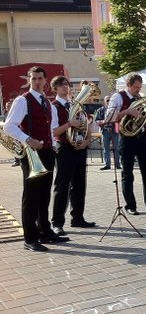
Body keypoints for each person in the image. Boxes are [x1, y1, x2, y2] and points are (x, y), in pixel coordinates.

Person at [3, 66, 60, 251]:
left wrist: (54, 145)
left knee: (44, 195)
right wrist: (28, 139)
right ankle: (30, 238)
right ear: (29, 80)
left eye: (40, 78)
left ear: (45, 80)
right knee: (31, 195)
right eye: (33, 78)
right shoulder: (22, 100)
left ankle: (45, 231)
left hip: (47, 152)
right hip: (31, 153)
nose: (37, 81)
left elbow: (51, 128)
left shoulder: (48, 103)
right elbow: (8, 126)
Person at [107, 73, 146, 215]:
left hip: (142, 137)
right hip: (127, 139)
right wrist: (127, 111)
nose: (138, 90)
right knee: (127, 173)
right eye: (136, 87)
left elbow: (143, 118)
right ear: (128, 85)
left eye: (140, 87)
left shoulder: (140, 98)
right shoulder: (118, 97)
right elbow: (110, 117)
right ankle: (130, 205)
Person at [50, 76, 96, 237]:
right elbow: (54, 131)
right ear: (55, 89)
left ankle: (78, 218)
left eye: (66, 84)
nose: (65, 87)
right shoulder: (54, 107)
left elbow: (86, 126)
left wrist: (87, 141)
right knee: (62, 186)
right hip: (64, 149)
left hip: (80, 147)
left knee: (79, 184)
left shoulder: (75, 105)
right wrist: (69, 124)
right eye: (61, 85)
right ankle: (57, 223)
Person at [95, 96, 120, 170]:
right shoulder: (100, 110)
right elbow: (96, 120)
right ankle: (107, 165)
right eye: (107, 100)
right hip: (105, 131)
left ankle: (117, 164)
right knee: (106, 149)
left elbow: (119, 120)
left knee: (116, 148)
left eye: (110, 100)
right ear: (105, 102)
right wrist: (102, 122)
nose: (109, 102)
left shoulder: (115, 110)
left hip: (114, 132)